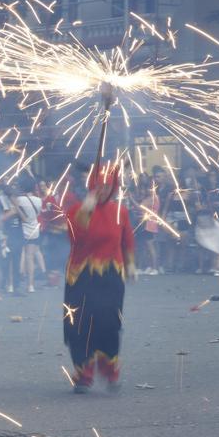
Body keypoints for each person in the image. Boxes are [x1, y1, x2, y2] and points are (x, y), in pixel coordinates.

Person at [64, 165, 135, 393]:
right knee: (79, 324)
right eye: (99, 186)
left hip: (111, 275)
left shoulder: (120, 211)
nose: (103, 190)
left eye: (107, 186)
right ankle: (83, 373)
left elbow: (127, 239)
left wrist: (131, 263)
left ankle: (110, 370)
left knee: (109, 322)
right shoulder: (77, 209)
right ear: (91, 186)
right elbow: (76, 235)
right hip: (81, 276)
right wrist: (86, 208)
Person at [14, 181, 45, 293]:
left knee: (20, 254)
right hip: (34, 228)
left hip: (21, 229)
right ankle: (30, 285)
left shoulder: (19, 200)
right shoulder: (39, 200)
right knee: (30, 257)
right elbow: (38, 214)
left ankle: (17, 278)